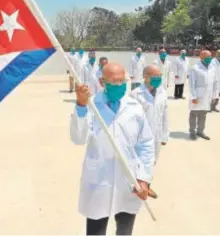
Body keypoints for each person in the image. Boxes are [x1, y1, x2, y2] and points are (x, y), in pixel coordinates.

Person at [70, 62, 154, 236]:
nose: (119, 86)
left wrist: (144, 179)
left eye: (122, 82)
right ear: (102, 82)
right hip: (100, 179)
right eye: (113, 83)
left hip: (129, 179)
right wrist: (81, 106)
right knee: (96, 231)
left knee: (125, 229)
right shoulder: (91, 105)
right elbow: (78, 138)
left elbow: (145, 144)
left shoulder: (135, 107)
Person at [130, 64, 169, 200]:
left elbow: (165, 114)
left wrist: (165, 135)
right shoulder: (135, 95)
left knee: (152, 162)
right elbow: (130, 119)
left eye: (160, 76)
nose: (158, 79)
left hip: (157, 135)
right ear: (145, 77)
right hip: (140, 137)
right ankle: (135, 185)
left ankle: (147, 185)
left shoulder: (162, 92)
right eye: (155, 76)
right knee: (138, 161)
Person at [188, 50, 219, 140]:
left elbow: (215, 82)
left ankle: (200, 131)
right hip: (197, 95)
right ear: (201, 57)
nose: (209, 59)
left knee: (203, 114)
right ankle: (192, 131)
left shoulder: (213, 68)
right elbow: (191, 84)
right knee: (194, 114)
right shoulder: (195, 68)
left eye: (210, 57)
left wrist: (214, 96)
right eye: (207, 57)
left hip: (207, 96)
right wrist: (193, 97)